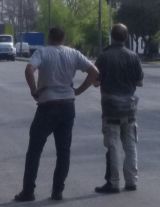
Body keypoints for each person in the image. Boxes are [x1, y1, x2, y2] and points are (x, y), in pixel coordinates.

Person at [14, 27, 99, 202]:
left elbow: (29, 69)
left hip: (47, 106)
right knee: (63, 151)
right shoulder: (74, 53)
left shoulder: (43, 52)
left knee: (35, 150)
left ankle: (28, 191)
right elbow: (94, 72)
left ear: (49, 37)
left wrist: (34, 90)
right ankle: (57, 191)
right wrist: (78, 91)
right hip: (68, 106)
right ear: (64, 38)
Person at [94, 23, 144, 194]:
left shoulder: (104, 57)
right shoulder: (133, 56)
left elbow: (96, 80)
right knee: (130, 145)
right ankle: (131, 180)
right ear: (126, 37)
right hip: (129, 108)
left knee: (113, 145)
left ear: (112, 36)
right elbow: (139, 81)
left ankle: (114, 182)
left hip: (110, 108)